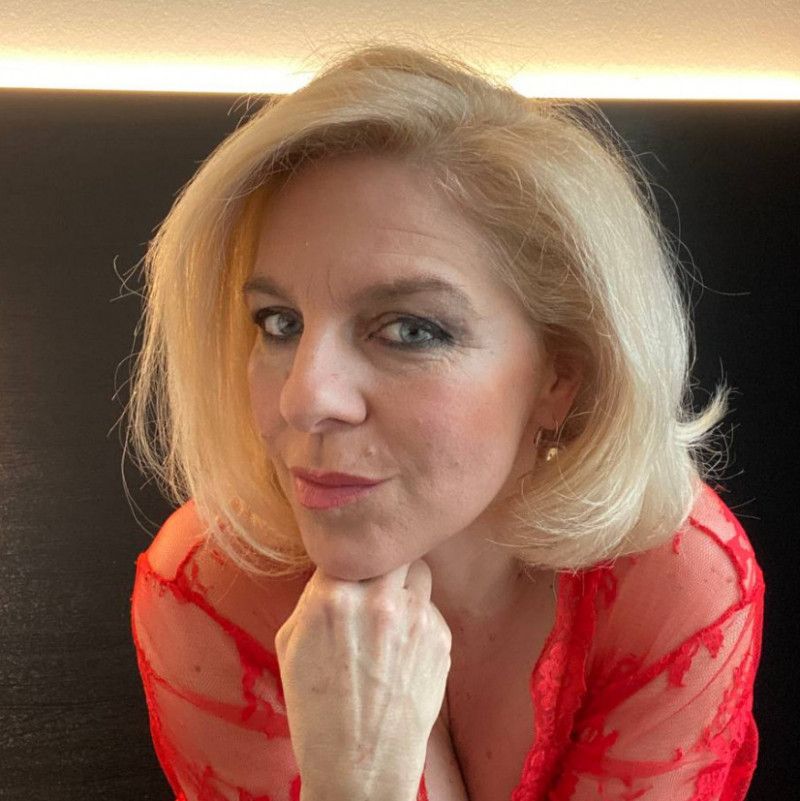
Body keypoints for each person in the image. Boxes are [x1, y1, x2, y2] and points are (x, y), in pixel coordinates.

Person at [126, 42, 765, 801]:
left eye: (409, 330)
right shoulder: (211, 590)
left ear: (560, 375)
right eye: (279, 322)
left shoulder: (671, 581)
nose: (304, 398)